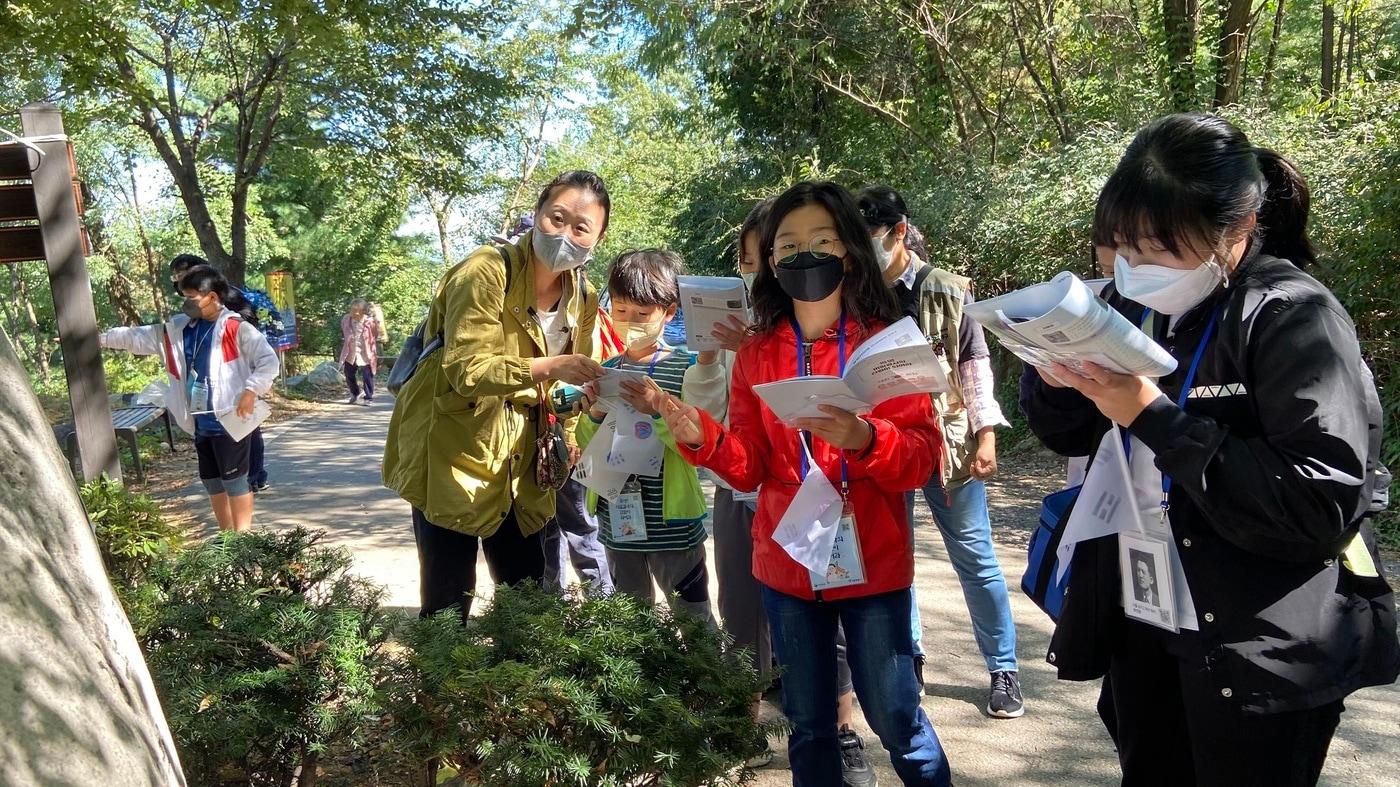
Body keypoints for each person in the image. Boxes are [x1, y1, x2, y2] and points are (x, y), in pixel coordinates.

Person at [1019, 113, 1399, 785]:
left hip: (1258, 645)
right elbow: (1067, 434)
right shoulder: (1133, 305)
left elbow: (1318, 500)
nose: (1133, 269)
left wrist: (1152, 415)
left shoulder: (1289, 314)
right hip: (1146, 615)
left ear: (1238, 230)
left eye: (1162, 248)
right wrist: (1057, 374)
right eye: (1122, 246)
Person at [638, 181, 952, 787]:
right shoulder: (757, 352)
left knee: (896, 718)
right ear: (771, 261)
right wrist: (699, 433)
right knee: (808, 722)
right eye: (788, 244)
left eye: (822, 240)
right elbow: (751, 465)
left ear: (852, 251)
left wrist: (864, 440)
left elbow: (918, 462)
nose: (804, 254)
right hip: (786, 561)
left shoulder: (889, 343)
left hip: (875, 563)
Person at [382, 170, 608, 620]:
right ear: (538, 214)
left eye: (581, 228)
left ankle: (517, 689)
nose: (565, 234)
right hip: (454, 453)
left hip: (525, 463)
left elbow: (569, 382)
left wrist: (569, 417)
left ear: (596, 240)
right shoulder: (484, 272)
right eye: (556, 218)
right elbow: (468, 369)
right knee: (448, 600)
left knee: (524, 596)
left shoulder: (582, 295)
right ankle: (438, 688)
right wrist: (549, 367)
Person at [858, 185, 1024, 719]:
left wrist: (987, 434)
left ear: (898, 232)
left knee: (975, 558)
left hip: (947, 444)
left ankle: (1004, 668)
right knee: (894, 556)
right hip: (886, 445)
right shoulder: (856, 294)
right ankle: (911, 660)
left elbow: (974, 365)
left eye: (870, 241)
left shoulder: (948, 291)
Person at [576, 249, 715, 623]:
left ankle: (704, 683)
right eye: (620, 311)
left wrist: (658, 411)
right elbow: (587, 443)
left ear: (669, 312)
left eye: (642, 314)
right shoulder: (605, 371)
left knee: (694, 619)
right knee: (630, 622)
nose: (630, 322)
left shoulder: (685, 369)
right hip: (618, 522)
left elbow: (698, 443)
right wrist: (593, 415)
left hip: (672, 526)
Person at [102, 265, 279, 531]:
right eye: (185, 295)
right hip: (199, 420)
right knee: (211, 481)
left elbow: (267, 361)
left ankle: (242, 538)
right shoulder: (179, 330)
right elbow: (139, 336)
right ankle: (226, 535)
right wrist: (99, 339)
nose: (187, 302)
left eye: (193, 296)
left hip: (229, 418)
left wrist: (250, 391)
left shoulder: (234, 328)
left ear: (213, 297)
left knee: (235, 480)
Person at [168, 254, 282, 492]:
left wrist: (250, 383)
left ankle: (254, 475)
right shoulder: (191, 307)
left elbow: (247, 327)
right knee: (235, 431)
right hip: (206, 391)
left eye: (181, 275)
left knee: (247, 427)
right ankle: (241, 478)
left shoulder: (225, 297)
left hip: (238, 374)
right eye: (176, 277)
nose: (177, 281)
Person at [338, 298, 381, 405]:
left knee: (367, 376)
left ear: (362, 312)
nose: (353, 313)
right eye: (352, 310)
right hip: (351, 352)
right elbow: (344, 331)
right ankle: (355, 393)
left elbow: (375, 334)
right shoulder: (346, 320)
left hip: (366, 352)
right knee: (349, 374)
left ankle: (368, 397)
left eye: (356, 311)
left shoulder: (369, 322)